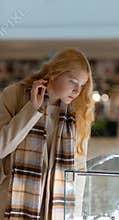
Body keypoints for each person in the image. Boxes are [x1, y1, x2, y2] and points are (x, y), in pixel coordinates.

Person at [0, 48, 94, 220]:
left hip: (57, 210)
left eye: (82, 85)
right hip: (13, 204)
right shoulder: (14, 96)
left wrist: (75, 214)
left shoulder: (78, 112)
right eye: (73, 82)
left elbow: (79, 170)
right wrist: (31, 111)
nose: (77, 91)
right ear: (54, 73)